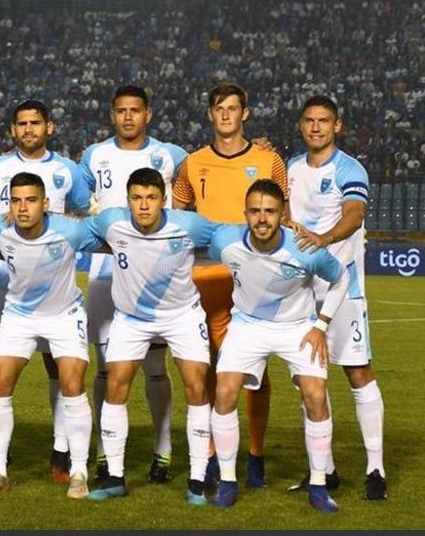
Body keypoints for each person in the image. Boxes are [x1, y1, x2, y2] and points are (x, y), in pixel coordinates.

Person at [172, 82, 289, 489]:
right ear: (210, 114)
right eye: (219, 108)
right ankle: (207, 456)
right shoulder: (192, 163)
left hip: (250, 282)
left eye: (233, 108)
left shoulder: (268, 159)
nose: (226, 115)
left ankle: (255, 455)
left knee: (254, 371)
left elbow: (280, 214)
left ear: (246, 114)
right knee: (202, 370)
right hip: (202, 280)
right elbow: (179, 215)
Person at [207, 179, 348, 512]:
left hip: (297, 328)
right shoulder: (225, 240)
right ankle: (228, 482)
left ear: (283, 214)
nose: (262, 218)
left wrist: (321, 324)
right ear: (245, 214)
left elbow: (341, 277)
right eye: (255, 211)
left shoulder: (304, 247)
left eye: (270, 211)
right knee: (225, 391)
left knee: (316, 395)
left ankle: (318, 486)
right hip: (247, 325)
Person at [82, 168, 215, 505]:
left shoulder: (188, 225)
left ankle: (198, 479)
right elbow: (73, 230)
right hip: (132, 318)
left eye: (151, 198)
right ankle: (114, 475)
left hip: (182, 315)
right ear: (128, 200)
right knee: (116, 383)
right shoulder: (112, 222)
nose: (143, 206)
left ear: (163, 200)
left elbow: (226, 235)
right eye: (137, 198)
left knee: (197, 385)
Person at [0, 99, 92, 481]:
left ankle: (63, 455)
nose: (28, 129)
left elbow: (80, 214)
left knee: (58, 369)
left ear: (49, 127)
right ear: (13, 130)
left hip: (57, 283)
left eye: (35, 123)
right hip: (7, 283)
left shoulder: (68, 170)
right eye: (21, 124)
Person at [79, 85, 187, 484]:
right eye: (121, 111)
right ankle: (107, 454)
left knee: (156, 366)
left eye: (135, 110)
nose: (128, 117)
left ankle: (162, 452)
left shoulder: (173, 156)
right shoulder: (93, 156)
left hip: (155, 276)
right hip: (107, 274)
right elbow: (73, 200)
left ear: (148, 114)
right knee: (107, 367)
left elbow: (197, 191)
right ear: (112, 115)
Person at [285, 95, 387, 500]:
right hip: (300, 293)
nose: (316, 127)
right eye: (309, 120)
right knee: (307, 381)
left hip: (344, 290)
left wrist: (323, 240)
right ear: (301, 124)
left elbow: (355, 215)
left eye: (323, 121)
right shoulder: (291, 168)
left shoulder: (350, 168)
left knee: (358, 373)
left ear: (337, 126)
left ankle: (375, 469)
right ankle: (324, 472)